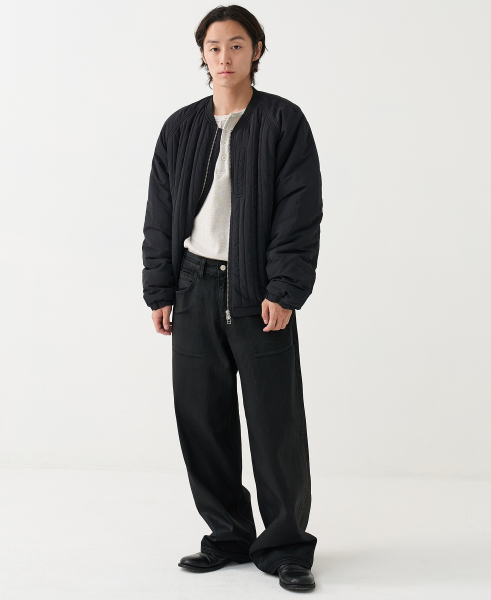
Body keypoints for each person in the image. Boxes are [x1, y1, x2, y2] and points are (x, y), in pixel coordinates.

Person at [142, 5, 323, 592]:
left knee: (275, 424)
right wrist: (160, 288)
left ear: (257, 51)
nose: (225, 57)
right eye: (215, 47)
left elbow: (300, 211)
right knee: (202, 420)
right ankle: (228, 534)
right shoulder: (180, 128)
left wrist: (284, 290)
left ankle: (286, 546)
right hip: (193, 288)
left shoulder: (283, 121)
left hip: (258, 293)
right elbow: (160, 214)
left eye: (237, 45)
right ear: (202, 54)